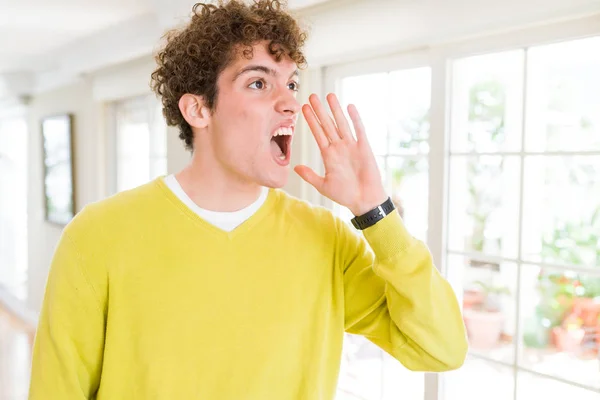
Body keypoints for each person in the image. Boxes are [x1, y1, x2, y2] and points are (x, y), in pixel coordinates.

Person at [28, 1, 468, 399]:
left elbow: (441, 350)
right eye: (258, 82)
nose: (290, 103)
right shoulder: (99, 235)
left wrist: (376, 211)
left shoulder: (328, 241)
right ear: (198, 110)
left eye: (291, 83)